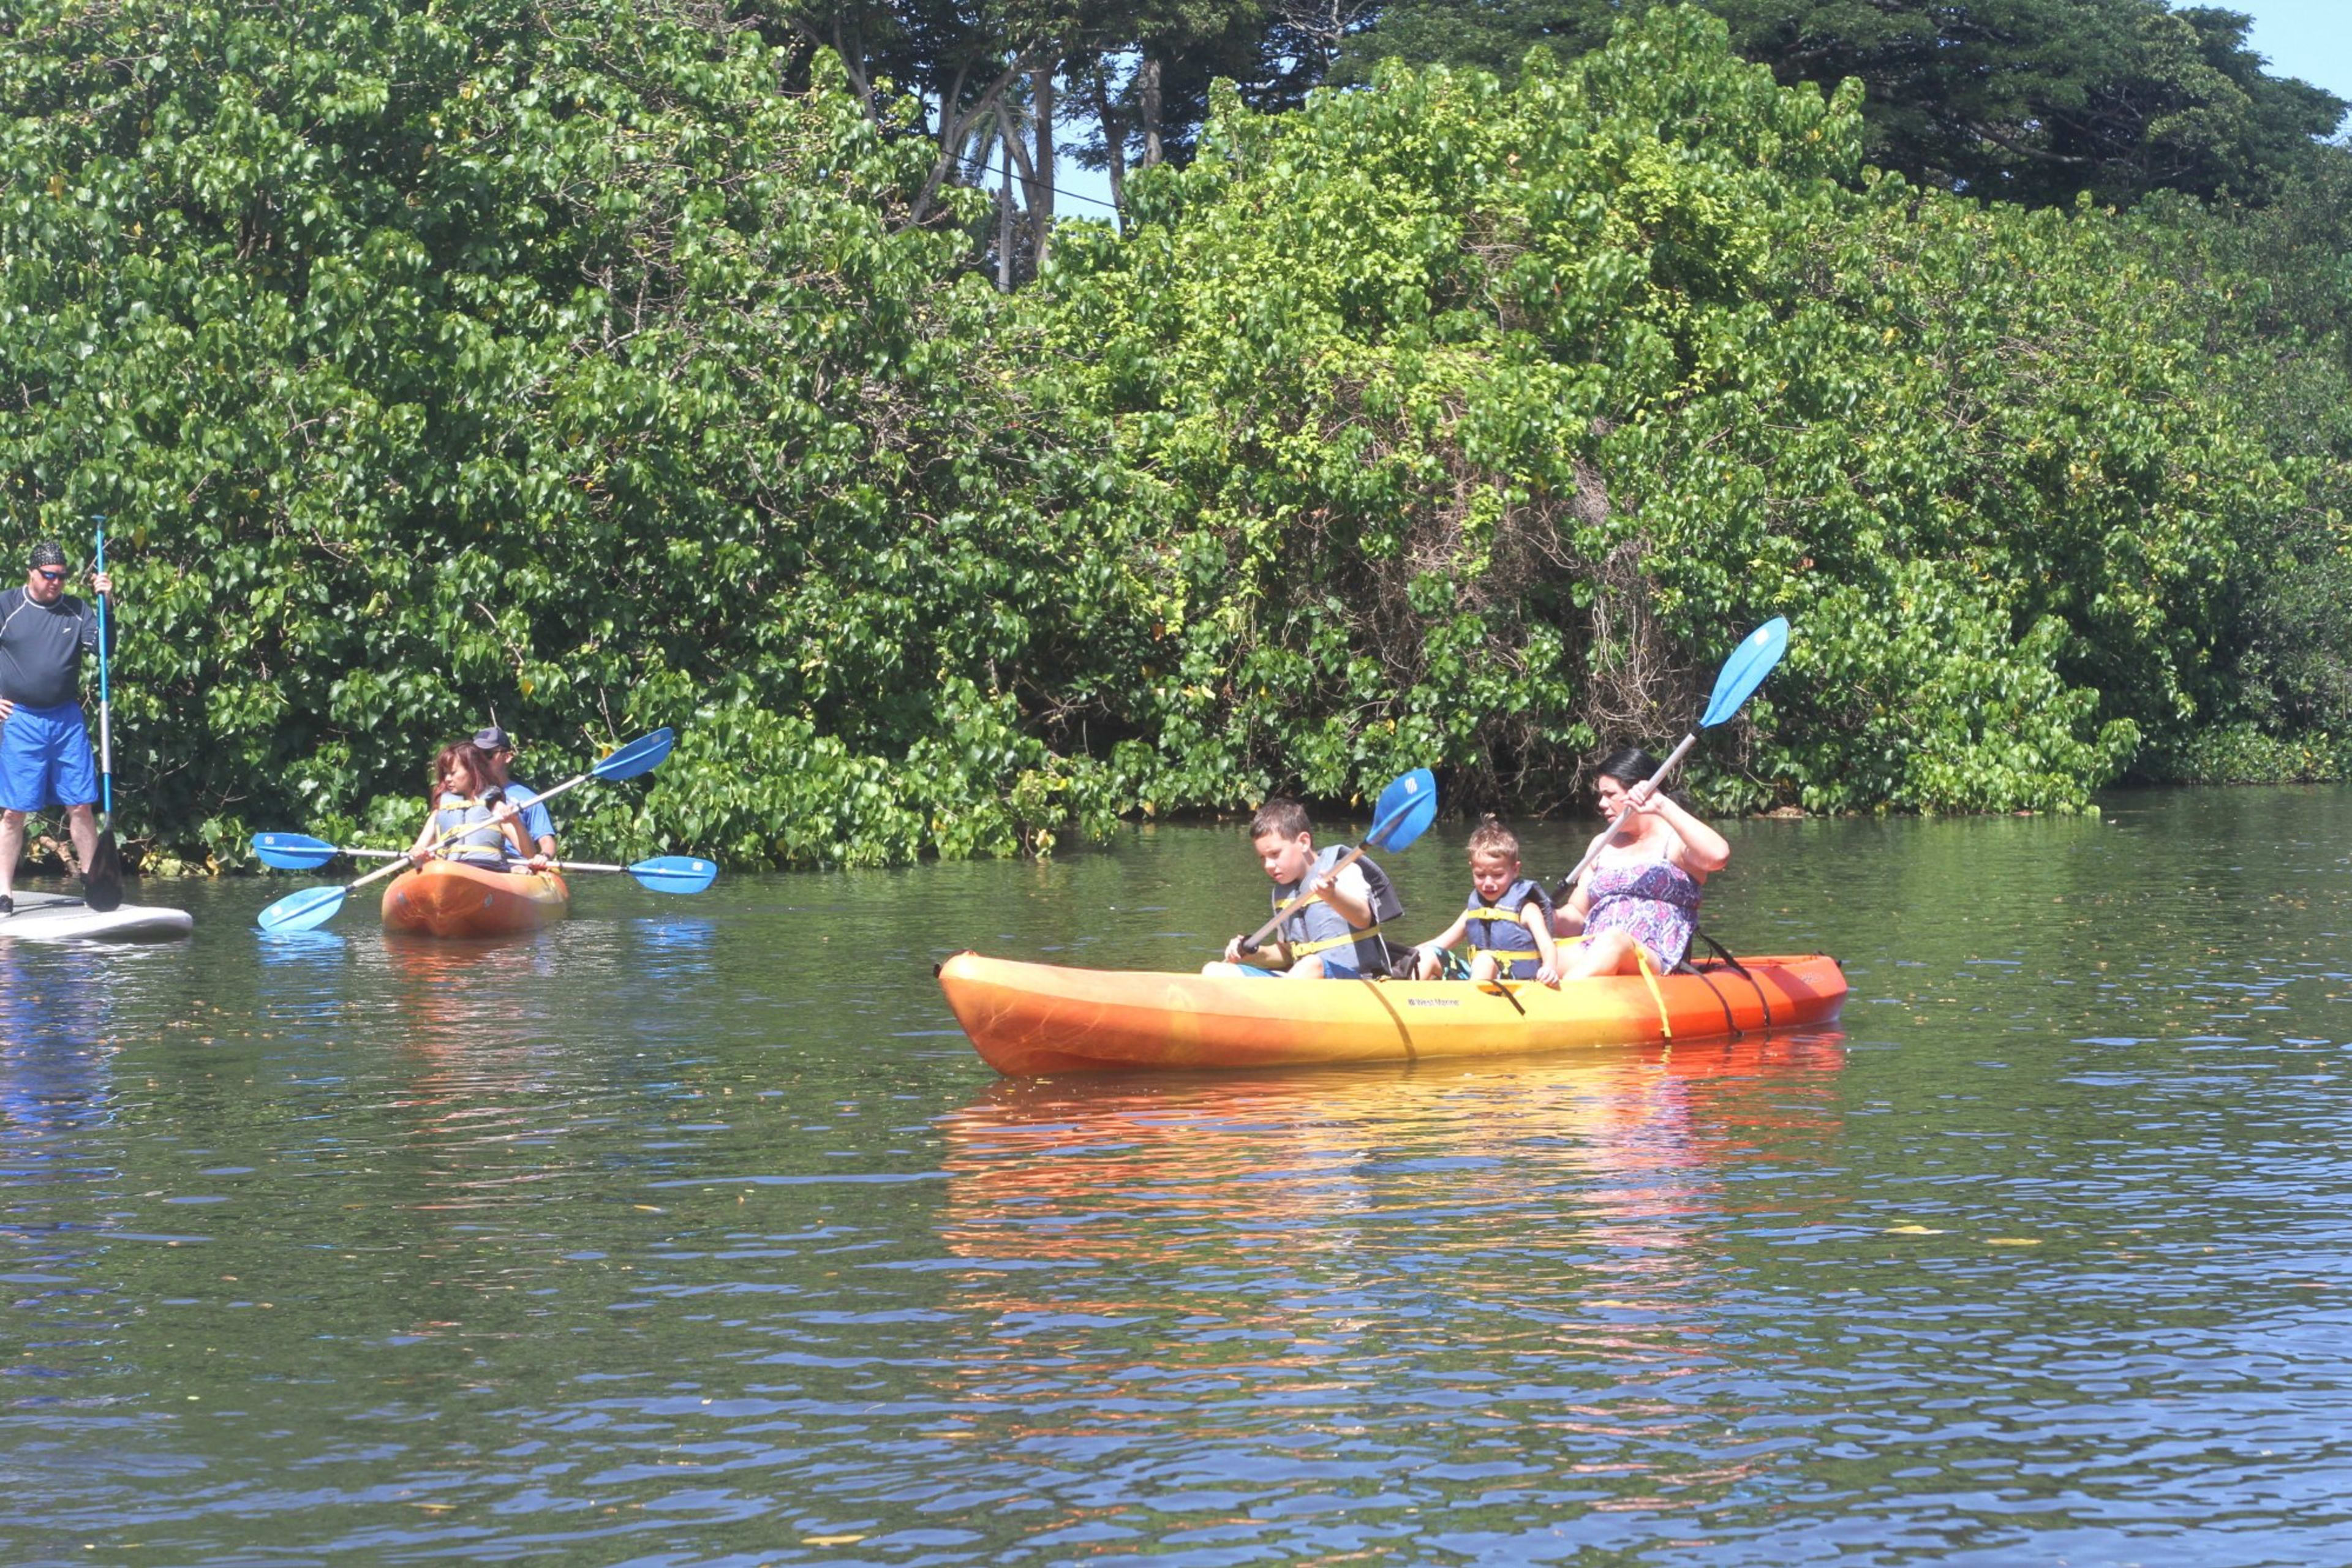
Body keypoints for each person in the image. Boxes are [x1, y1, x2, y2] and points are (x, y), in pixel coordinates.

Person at [0, 541, 115, 915]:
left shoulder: (78, 609)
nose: (56, 582)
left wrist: (106, 605)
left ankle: (92, 882)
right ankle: (3, 893)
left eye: (63, 576)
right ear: (31, 573)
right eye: (49, 575)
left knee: (81, 804)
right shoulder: (7, 605)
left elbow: (104, 648)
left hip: (66, 719)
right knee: (14, 812)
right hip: (21, 720)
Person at [1552, 747, 1730, 980]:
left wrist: (1661, 803)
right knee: (1536, 951)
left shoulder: (1675, 841)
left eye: (1610, 794)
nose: (1601, 804)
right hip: (1593, 949)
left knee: (1614, 940)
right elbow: (1577, 914)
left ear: (1640, 791)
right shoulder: (1601, 844)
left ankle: (1564, 1003)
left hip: (1655, 958)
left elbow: (1718, 856)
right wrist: (1541, 918)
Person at [1205, 798, 1403, 980]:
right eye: (1262, 858)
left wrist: (1333, 896)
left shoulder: (1345, 870)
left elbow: (1363, 918)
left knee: (1312, 964)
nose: (1268, 865)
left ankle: (1274, 1006)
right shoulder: (1281, 893)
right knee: (1215, 970)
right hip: (1301, 983)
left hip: (1358, 981)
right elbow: (1287, 953)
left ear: (1303, 842)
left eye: (1275, 854)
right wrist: (1255, 954)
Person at [1411, 816, 1562, 984]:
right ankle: (1403, 998)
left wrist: (1549, 967)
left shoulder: (1527, 910)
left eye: (1498, 875)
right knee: (1428, 954)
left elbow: (1548, 946)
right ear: (1472, 869)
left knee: (1484, 959)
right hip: (1477, 980)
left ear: (1515, 869)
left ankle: (1468, 1006)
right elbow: (1441, 943)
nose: (1488, 883)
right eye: (1480, 875)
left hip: (1515, 983)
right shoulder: (1473, 910)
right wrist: (1407, 954)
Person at [408, 741, 533, 869]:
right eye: (445, 773)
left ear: (472, 771)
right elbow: (418, 851)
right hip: (451, 871)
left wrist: (516, 822)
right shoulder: (439, 813)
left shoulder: (495, 808)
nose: (447, 779)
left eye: (453, 773)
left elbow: (530, 855)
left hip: (486, 871)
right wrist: (419, 854)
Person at [473, 725, 557, 865]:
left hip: (515, 864)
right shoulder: (467, 792)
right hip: (478, 860)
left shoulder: (528, 798)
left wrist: (544, 856)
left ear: (507, 757)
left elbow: (546, 841)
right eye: (476, 755)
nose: (480, 761)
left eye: (488, 755)